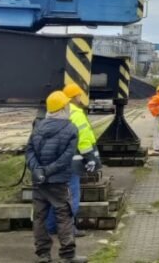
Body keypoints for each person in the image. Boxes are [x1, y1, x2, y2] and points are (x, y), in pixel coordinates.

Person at [27, 91, 87, 263]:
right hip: (59, 181)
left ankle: (43, 255)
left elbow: (29, 151)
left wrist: (38, 170)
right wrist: (48, 171)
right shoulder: (70, 129)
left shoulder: (38, 126)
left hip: (39, 182)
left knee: (39, 217)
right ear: (63, 108)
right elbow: (66, 158)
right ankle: (68, 255)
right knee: (64, 215)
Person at [47, 83, 99, 239]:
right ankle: (69, 228)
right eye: (78, 95)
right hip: (72, 163)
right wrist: (90, 158)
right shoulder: (76, 113)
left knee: (54, 197)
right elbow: (82, 139)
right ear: (75, 96)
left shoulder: (55, 112)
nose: (80, 97)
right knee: (72, 196)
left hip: (55, 162)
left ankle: (50, 227)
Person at [147, 84, 159, 152]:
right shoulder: (158, 97)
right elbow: (150, 105)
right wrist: (157, 112)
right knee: (158, 132)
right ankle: (157, 147)